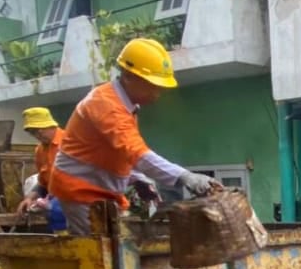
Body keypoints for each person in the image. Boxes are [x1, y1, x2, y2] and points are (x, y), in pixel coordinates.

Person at [48, 38, 222, 234]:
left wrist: (137, 178)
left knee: (119, 247)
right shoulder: (107, 106)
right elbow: (137, 153)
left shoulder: (124, 105)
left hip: (101, 192)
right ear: (129, 76)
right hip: (80, 191)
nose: (158, 92)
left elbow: (118, 152)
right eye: (152, 84)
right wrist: (185, 177)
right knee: (104, 255)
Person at [16, 107, 68, 231]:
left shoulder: (70, 142)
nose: (38, 135)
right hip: (55, 205)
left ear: (51, 125)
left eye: (40, 130)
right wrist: (29, 198)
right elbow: (43, 182)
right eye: (33, 132)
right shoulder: (40, 151)